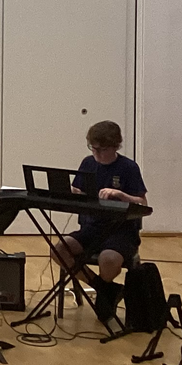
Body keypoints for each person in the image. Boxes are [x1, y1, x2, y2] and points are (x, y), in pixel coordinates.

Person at [52, 120, 148, 322]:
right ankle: (104, 289)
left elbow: (142, 203)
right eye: (93, 148)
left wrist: (121, 195)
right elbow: (79, 191)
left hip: (121, 231)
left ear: (115, 146)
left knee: (108, 259)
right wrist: (73, 193)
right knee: (59, 250)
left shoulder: (128, 167)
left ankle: (105, 291)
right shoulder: (88, 163)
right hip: (92, 227)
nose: (96, 153)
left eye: (102, 150)